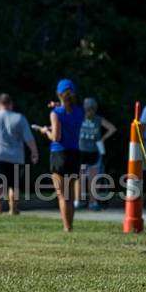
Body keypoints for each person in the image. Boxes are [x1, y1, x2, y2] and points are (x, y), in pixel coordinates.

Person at [34, 79, 83, 232]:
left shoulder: (56, 113)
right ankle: (71, 225)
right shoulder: (80, 111)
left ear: (58, 94)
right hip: (74, 153)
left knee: (62, 195)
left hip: (59, 154)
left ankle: (66, 227)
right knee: (70, 194)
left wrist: (45, 131)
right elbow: (69, 119)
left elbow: (56, 137)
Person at [0, 94, 38, 215]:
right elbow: (28, 138)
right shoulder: (19, 118)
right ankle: (13, 210)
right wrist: (34, 152)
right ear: (11, 104)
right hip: (16, 156)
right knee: (14, 185)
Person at [76, 98, 116, 211]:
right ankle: (90, 203)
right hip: (90, 151)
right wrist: (102, 138)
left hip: (84, 150)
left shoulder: (81, 118)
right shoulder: (97, 119)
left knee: (82, 177)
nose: (90, 112)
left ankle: (79, 201)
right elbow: (112, 128)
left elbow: (112, 128)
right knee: (88, 178)